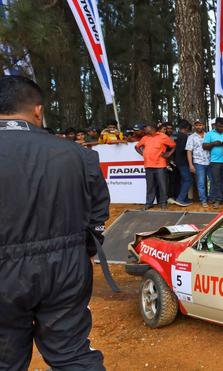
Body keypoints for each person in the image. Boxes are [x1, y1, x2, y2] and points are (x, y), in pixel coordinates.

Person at [0, 76, 109, 370]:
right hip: (66, 265)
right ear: (38, 110)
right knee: (72, 353)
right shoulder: (79, 155)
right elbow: (97, 214)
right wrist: (83, 249)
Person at [135, 122, 176, 210]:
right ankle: (149, 203)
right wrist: (143, 154)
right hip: (148, 165)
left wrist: (168, 154)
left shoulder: (163, 136)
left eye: (146, 127)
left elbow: (173, 145)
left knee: (162, 185)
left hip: (160, 165)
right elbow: (137, 147)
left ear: (152, 128)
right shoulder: (145, 138)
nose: (144, 129)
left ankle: (163, 203)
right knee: (150, 185)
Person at [203, 117, 223, 206]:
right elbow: (204, 146)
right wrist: (213, 143)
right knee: (216, 181)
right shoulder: (209, 134)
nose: (221, 128)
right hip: (215, 161)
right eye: (219, 126)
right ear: (215, 125)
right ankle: (218, 199)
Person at [186, 120, 211, 207]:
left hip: (210, 161)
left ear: (203, 125)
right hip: (198, 162)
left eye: (200, 125)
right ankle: (203, 200)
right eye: (196, 125)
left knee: (213, 181)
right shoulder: (191, 137)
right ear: (194, 126)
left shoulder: (208, 135)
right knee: (201, 182)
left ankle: (211, 198)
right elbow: (189, 151)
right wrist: (191, 165)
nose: (198, 127)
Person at [172, 120, 193, 207]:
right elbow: (185, 150)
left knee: (183, 180)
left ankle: (183, 198)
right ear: (187, 128)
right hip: (183, 162)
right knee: (188, 180)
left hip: (177, 161)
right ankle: (180, 199)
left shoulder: (175, 136)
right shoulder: (184, 137)